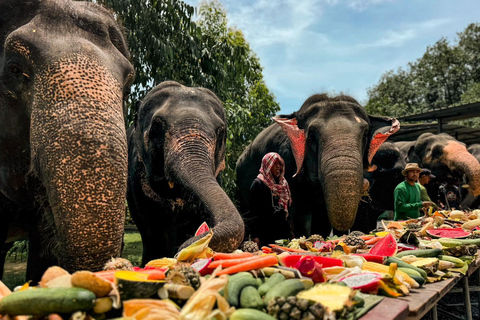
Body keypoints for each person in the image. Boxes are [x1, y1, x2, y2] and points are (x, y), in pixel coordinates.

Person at [245, 152, 294, 247]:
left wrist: (291, 233)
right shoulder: (258, 184)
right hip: (265, 235)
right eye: (275, 164)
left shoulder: (283, 185)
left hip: (282, 235)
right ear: (267, 165)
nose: (278, 166)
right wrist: (255, 236)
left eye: (279, 164)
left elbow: (287, 212)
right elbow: (252, 213)